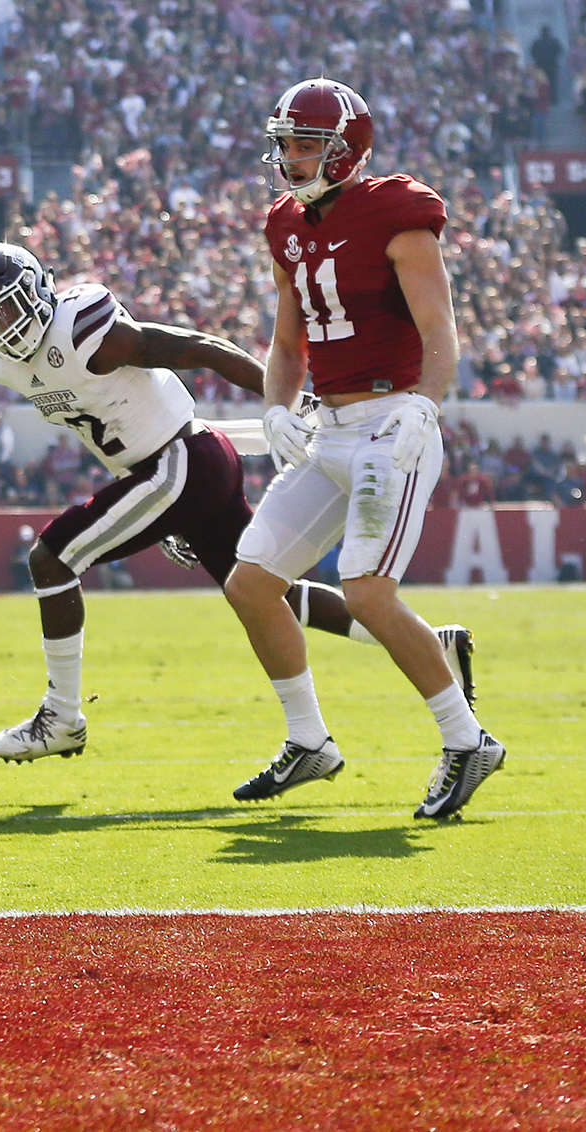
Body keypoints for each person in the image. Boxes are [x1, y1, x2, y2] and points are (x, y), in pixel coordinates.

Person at [0, 241, 464, 765]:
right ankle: (431, 647)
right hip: (175, 472)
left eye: (11, 309)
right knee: (267, 597)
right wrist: (163, 507)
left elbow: (202, 348)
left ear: (39, 288)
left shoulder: (82, 327)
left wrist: (284, 403)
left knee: (52, 557)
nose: (6, 330)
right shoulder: (4, 366)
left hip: (181, 461)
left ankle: (61, 717)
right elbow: (107, 418)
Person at [223, 78, 503, 820]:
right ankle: (309, 741)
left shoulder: (395, 209)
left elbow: (440, 329)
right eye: (284, 141)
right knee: (250, 583)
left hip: (391, 424)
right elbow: (288, 342)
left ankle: (467, 739)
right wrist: (276, 409)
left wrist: (423, 405)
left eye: (306, 142)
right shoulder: (284, 222)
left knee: (367, 591)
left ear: (346, 149)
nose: (290, 156)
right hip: (329, 427)